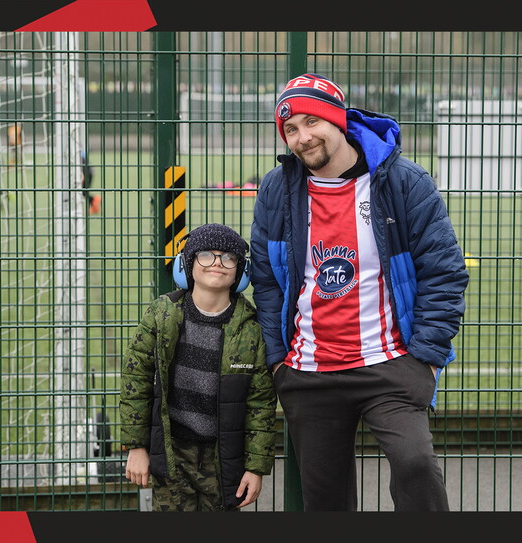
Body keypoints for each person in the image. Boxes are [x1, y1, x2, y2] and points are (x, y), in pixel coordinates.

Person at [250, 73, 468, 511]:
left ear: (337, 120)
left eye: (312, 122)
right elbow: (267, 279)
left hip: (390, 364)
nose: (302, 137)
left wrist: (424, 359)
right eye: (290, 129)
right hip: (308, 372)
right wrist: (278, 362)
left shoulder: (403, 182)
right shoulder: (278, 188)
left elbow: (443, 272)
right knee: (326, 502)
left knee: (416, 465)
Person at [119, 223, 277, 511]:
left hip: (224, 459)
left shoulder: (251, 329)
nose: (217, 263)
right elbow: (136, 381)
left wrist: (256, 468)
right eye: (206, 254)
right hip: (172, 453)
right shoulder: (161, 315)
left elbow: (261, 405)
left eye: (228, 257)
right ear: (189, 264)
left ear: (240, 271)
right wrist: (137, 447)